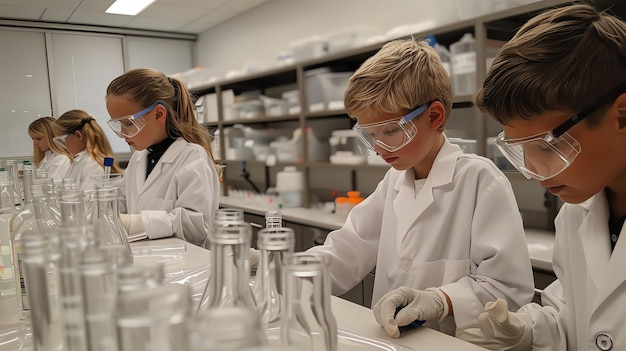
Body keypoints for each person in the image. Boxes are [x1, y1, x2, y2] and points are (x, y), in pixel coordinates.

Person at [305, 39, 535, 338]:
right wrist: (280, 266)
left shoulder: (479, 180)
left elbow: (508, 290)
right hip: (392, 338)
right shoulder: (393, 182)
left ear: (434, 116)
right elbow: (347, 250)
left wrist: (442, 301)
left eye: (389, 131)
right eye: (369, 134)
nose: (378, 147)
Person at [455, 4, 626, 350]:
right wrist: (526, 332)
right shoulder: (576, 214)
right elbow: (576, 318)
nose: (532, 172)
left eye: (547, 147)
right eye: (520, 151)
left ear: (622, 115)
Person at [105, 68, 220, 249]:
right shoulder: (138, 159)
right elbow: (121, 200)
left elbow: (195, 227)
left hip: (188, 267)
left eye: (128, 123)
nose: (122, 133)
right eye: (118, 124)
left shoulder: (191, 157)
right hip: (148, 259)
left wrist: (134, 224)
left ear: (158, 114)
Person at [54, 110, 121, 190]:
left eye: (63, 140)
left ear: (78, 135)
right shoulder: (80, 160)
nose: (64, 146)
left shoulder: (91, 164)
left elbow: (87, 200)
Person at [28, 117, 72, 181]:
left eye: (39, 138)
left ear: (52, 136)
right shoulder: (47, 157)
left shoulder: (61, 158)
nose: (35, 143)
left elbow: (49, 186)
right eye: (33, 139)